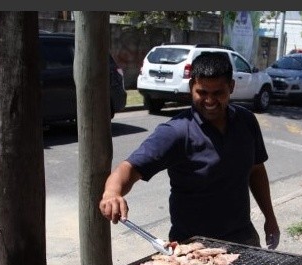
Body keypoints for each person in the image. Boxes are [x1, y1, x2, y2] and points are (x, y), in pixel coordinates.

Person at [99, 51, 281, 250]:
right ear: (191, 87)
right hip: (193, 245)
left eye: (218, 93)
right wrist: (111, 193)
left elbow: (256, 170)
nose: (210, 101)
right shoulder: (176, 131)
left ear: (231, 87)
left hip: (243, 238)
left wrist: (270, 218)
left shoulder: (246, 121)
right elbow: (129, 169)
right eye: (202, 92)